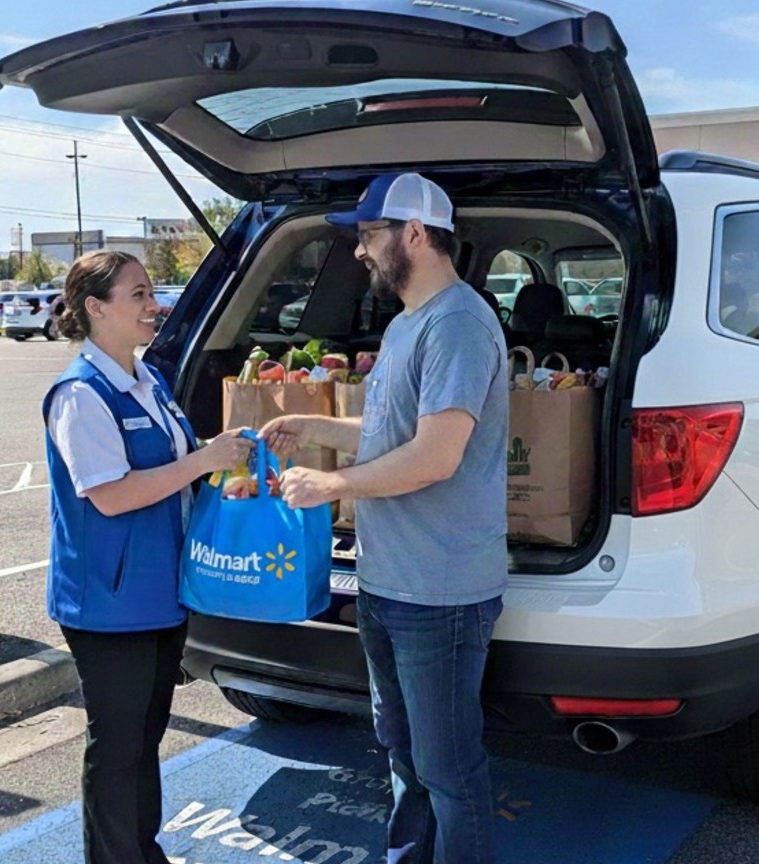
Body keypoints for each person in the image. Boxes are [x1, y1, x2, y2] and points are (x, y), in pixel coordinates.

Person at [261, 172, 509, 864]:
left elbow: (435, 456)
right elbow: (398, 431)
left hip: (440, 594)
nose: (361, 251)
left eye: (370, 235)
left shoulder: (459, 322)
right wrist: (320, 426)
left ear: (416, 234)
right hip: (388, 585)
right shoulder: (409, 324)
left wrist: (332, 482)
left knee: (448, 772)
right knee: (403, 757)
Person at [43, 250, 252, 864]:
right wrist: (201, 462)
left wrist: (223, 452)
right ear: (95, 308)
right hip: (107, 603)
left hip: (159, 593)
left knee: (144, 738)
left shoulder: (147, 379)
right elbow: (111, 496)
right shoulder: (80, 396)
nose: (153, 305)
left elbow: (179, 465)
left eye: (150, 291)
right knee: (117, 747)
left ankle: (142, 852)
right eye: (137, 294)